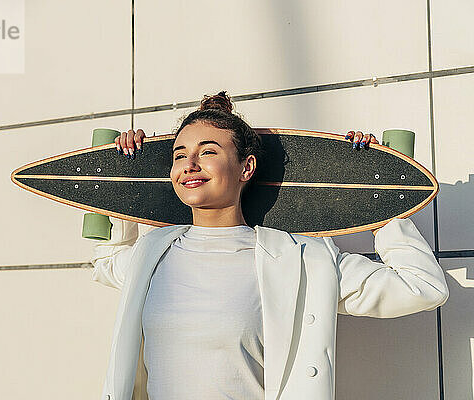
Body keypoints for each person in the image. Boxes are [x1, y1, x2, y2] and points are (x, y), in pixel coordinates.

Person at [90, 91, 449, 400]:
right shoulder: (154, 251)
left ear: (247, 167)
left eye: (208, 152)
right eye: (179, 155)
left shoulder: (301, 260)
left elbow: (422, 287)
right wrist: (121, 184)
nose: (190, 164)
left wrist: (376, 196)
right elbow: (106, 263)